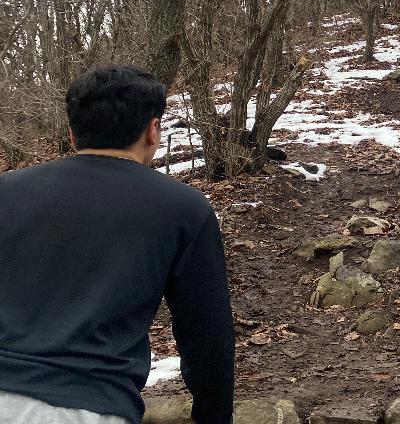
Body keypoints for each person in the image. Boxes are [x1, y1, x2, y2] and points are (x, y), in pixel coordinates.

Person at [0, 66, 235, 424]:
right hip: (87, 406)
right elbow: (207, 336)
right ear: (153, 130)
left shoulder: (7, 192)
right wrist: (214, 415)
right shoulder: (181, 208)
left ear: (72, 134)